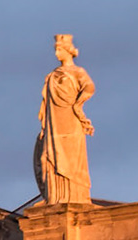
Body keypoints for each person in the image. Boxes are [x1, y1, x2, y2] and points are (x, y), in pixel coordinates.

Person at [35, 34, 95, 204]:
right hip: (54, 122)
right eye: (56, 50)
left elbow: (89, 87)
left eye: (59, 49)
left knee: (70, 159)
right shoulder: (53, 75)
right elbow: (45, 104)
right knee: (49, 155)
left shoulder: (78, 71)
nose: (57, 54)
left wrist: (78, 104)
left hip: (70, 120)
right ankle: (54, 196)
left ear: (68, 51)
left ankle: (73, 197)